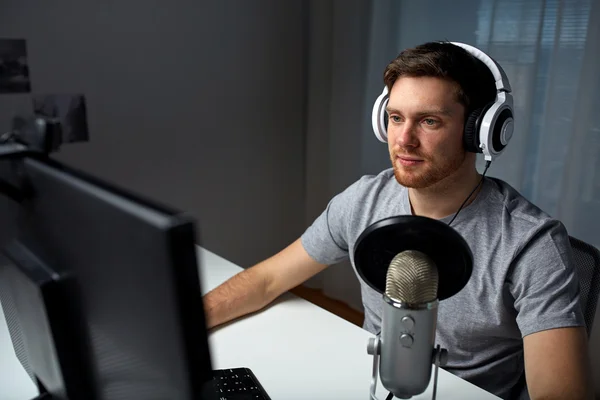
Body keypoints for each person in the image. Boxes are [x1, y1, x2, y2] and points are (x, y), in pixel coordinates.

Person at [202, 41, 594, 400]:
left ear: (479, 132)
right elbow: (267, 279)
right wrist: (184, 325)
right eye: (395, 117)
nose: (403, 140)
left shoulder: (532, 243)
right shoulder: (363, 201)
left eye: (429, 121)